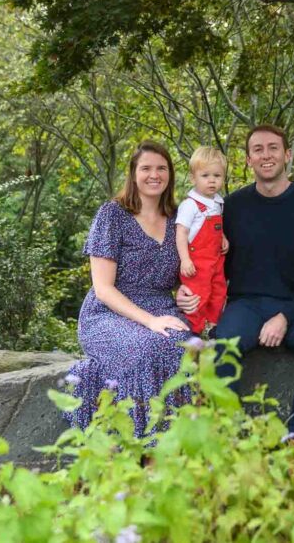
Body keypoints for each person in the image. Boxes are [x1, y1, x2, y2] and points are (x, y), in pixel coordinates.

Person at [177, 124, 294, 444]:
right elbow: (199, 251)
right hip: (246, 304)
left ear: (287, 155)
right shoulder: (230, 206)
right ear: (248, 160)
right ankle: (230, 435)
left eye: (273, 148)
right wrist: (184, 289)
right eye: (258, 150)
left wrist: (285, 317)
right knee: (223, 345)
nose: (266, 155)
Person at [65, 141, 193, 437]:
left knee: (183, 344)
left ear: (170, 175)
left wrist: (185, 290)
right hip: (108, 313)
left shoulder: (179, 220)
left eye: (161, 168)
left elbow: (185, 270)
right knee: (150, 346)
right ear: (133, 174)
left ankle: (178, 443)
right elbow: (103, 289)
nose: (154, 175)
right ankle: (142, 446)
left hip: (163, 307)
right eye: (146, 168)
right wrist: (149, 321)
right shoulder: (113, 215)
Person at [175, 146, 229, 334]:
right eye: (205, 176)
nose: (212, 180)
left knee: (219, 291)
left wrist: (222, 237)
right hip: (196, 263)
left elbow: (215, 227)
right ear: (193, 178)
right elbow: (181, 233)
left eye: (217, 175)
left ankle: (213, 326)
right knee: (198, 295)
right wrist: (185, 259)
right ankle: (194, 330)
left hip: (215, 260)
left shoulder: (218, 202)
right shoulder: (190, 205)